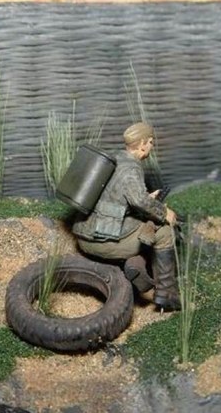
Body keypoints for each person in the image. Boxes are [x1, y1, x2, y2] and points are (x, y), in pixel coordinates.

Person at [72, 122, 181, 311]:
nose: (151, 147)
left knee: (145, 227)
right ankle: (167, 295)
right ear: (143, 144)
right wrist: (164, 213)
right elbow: (138, 200)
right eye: (150, 142)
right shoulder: (132, 169)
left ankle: (136, 266)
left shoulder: (115, 158)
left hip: (84, 232)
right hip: (102, 241)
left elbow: (118, 196)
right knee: (164, 232)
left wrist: (146, 200)